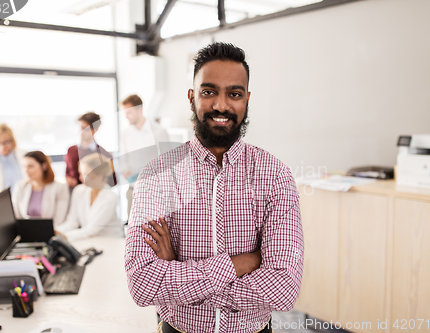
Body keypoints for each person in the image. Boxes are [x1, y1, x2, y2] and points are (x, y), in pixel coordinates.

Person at [125, 43, 304, 333]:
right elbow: (142, 284)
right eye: (209, 92)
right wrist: (241, 264)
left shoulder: (275, 175)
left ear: (247, 98)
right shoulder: (158, 175)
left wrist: (178, 277)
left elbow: (283, 289)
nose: (221, 105)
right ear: (192, 97)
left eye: (234, 94)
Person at [119, 94, 169, 219]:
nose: (126, 116)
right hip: (132, 189)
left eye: (129, 112)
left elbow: (167, 162)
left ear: (139, 110)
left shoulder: (159, 132)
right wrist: (125, 170)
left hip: (154, 192)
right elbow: (123, 158)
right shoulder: (125, 134)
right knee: (133, 229)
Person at [56, 153, 119, 241]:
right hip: (87, 240)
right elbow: (72, 222)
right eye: (80, 173)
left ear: (99, 175)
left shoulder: (110, 197)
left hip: (109, 241)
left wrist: (64, 236)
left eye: (85, 174)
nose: (81, 178)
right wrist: (55, 231)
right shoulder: (79, 191)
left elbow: (92, 229)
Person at [12, 151, 69, 227]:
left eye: (30, 166)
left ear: (44, 166)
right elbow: (16, 215)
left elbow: (58, 219)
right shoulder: (20, 186)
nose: (25, 170)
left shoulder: (60, 187)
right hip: (26, 232)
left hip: (50, 232)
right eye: (23, 166)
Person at [64, 112, 115, 189]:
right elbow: (68, 172)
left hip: (94, 196)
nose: (82, 132)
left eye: (86, 129)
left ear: (95, 130)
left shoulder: (104, 155)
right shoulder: (71, 151)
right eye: (81, 127)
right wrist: (68, 179)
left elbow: (112, 181)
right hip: (73, 196)